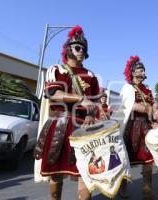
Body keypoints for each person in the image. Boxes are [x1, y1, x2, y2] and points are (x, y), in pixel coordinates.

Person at [34, 26, 99, 200]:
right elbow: (52, 93)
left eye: (84, 49)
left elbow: (95, 101)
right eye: (78, 47)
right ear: (68, 49)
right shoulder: (56, 70)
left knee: (85, 172)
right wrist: (80, 99)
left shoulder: (91, 75)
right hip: (59, 125)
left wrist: (91, 114)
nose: (81, 51)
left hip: (83, 127)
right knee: (56, 173)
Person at [117, 55, 158, 200]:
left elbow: (153, 104)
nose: (142, 72)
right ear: (132, 72)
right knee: (126, 159)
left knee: (149, 160)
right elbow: (131, 105)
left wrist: (156, 115)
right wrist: (149, 109)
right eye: (139, 70)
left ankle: (147, 191)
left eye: (143, 70)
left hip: (146, 127)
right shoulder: (127, 87)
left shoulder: (147, 89)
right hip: (131, 127)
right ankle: (122, 187)